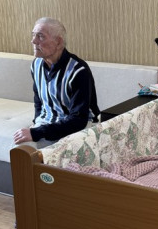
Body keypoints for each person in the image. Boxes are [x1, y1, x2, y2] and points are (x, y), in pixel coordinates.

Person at [13, 17, 100, 147]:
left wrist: (38, 132)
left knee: (54, 152)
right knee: (21, 149)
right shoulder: (36, 65)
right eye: (33, 35)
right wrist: (36, 125)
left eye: (40, 36)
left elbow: (78, 120)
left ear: (58, 42)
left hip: (78, 127)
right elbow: (39, 102)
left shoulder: (78, 71)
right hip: (47, 123)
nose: (33, 41)